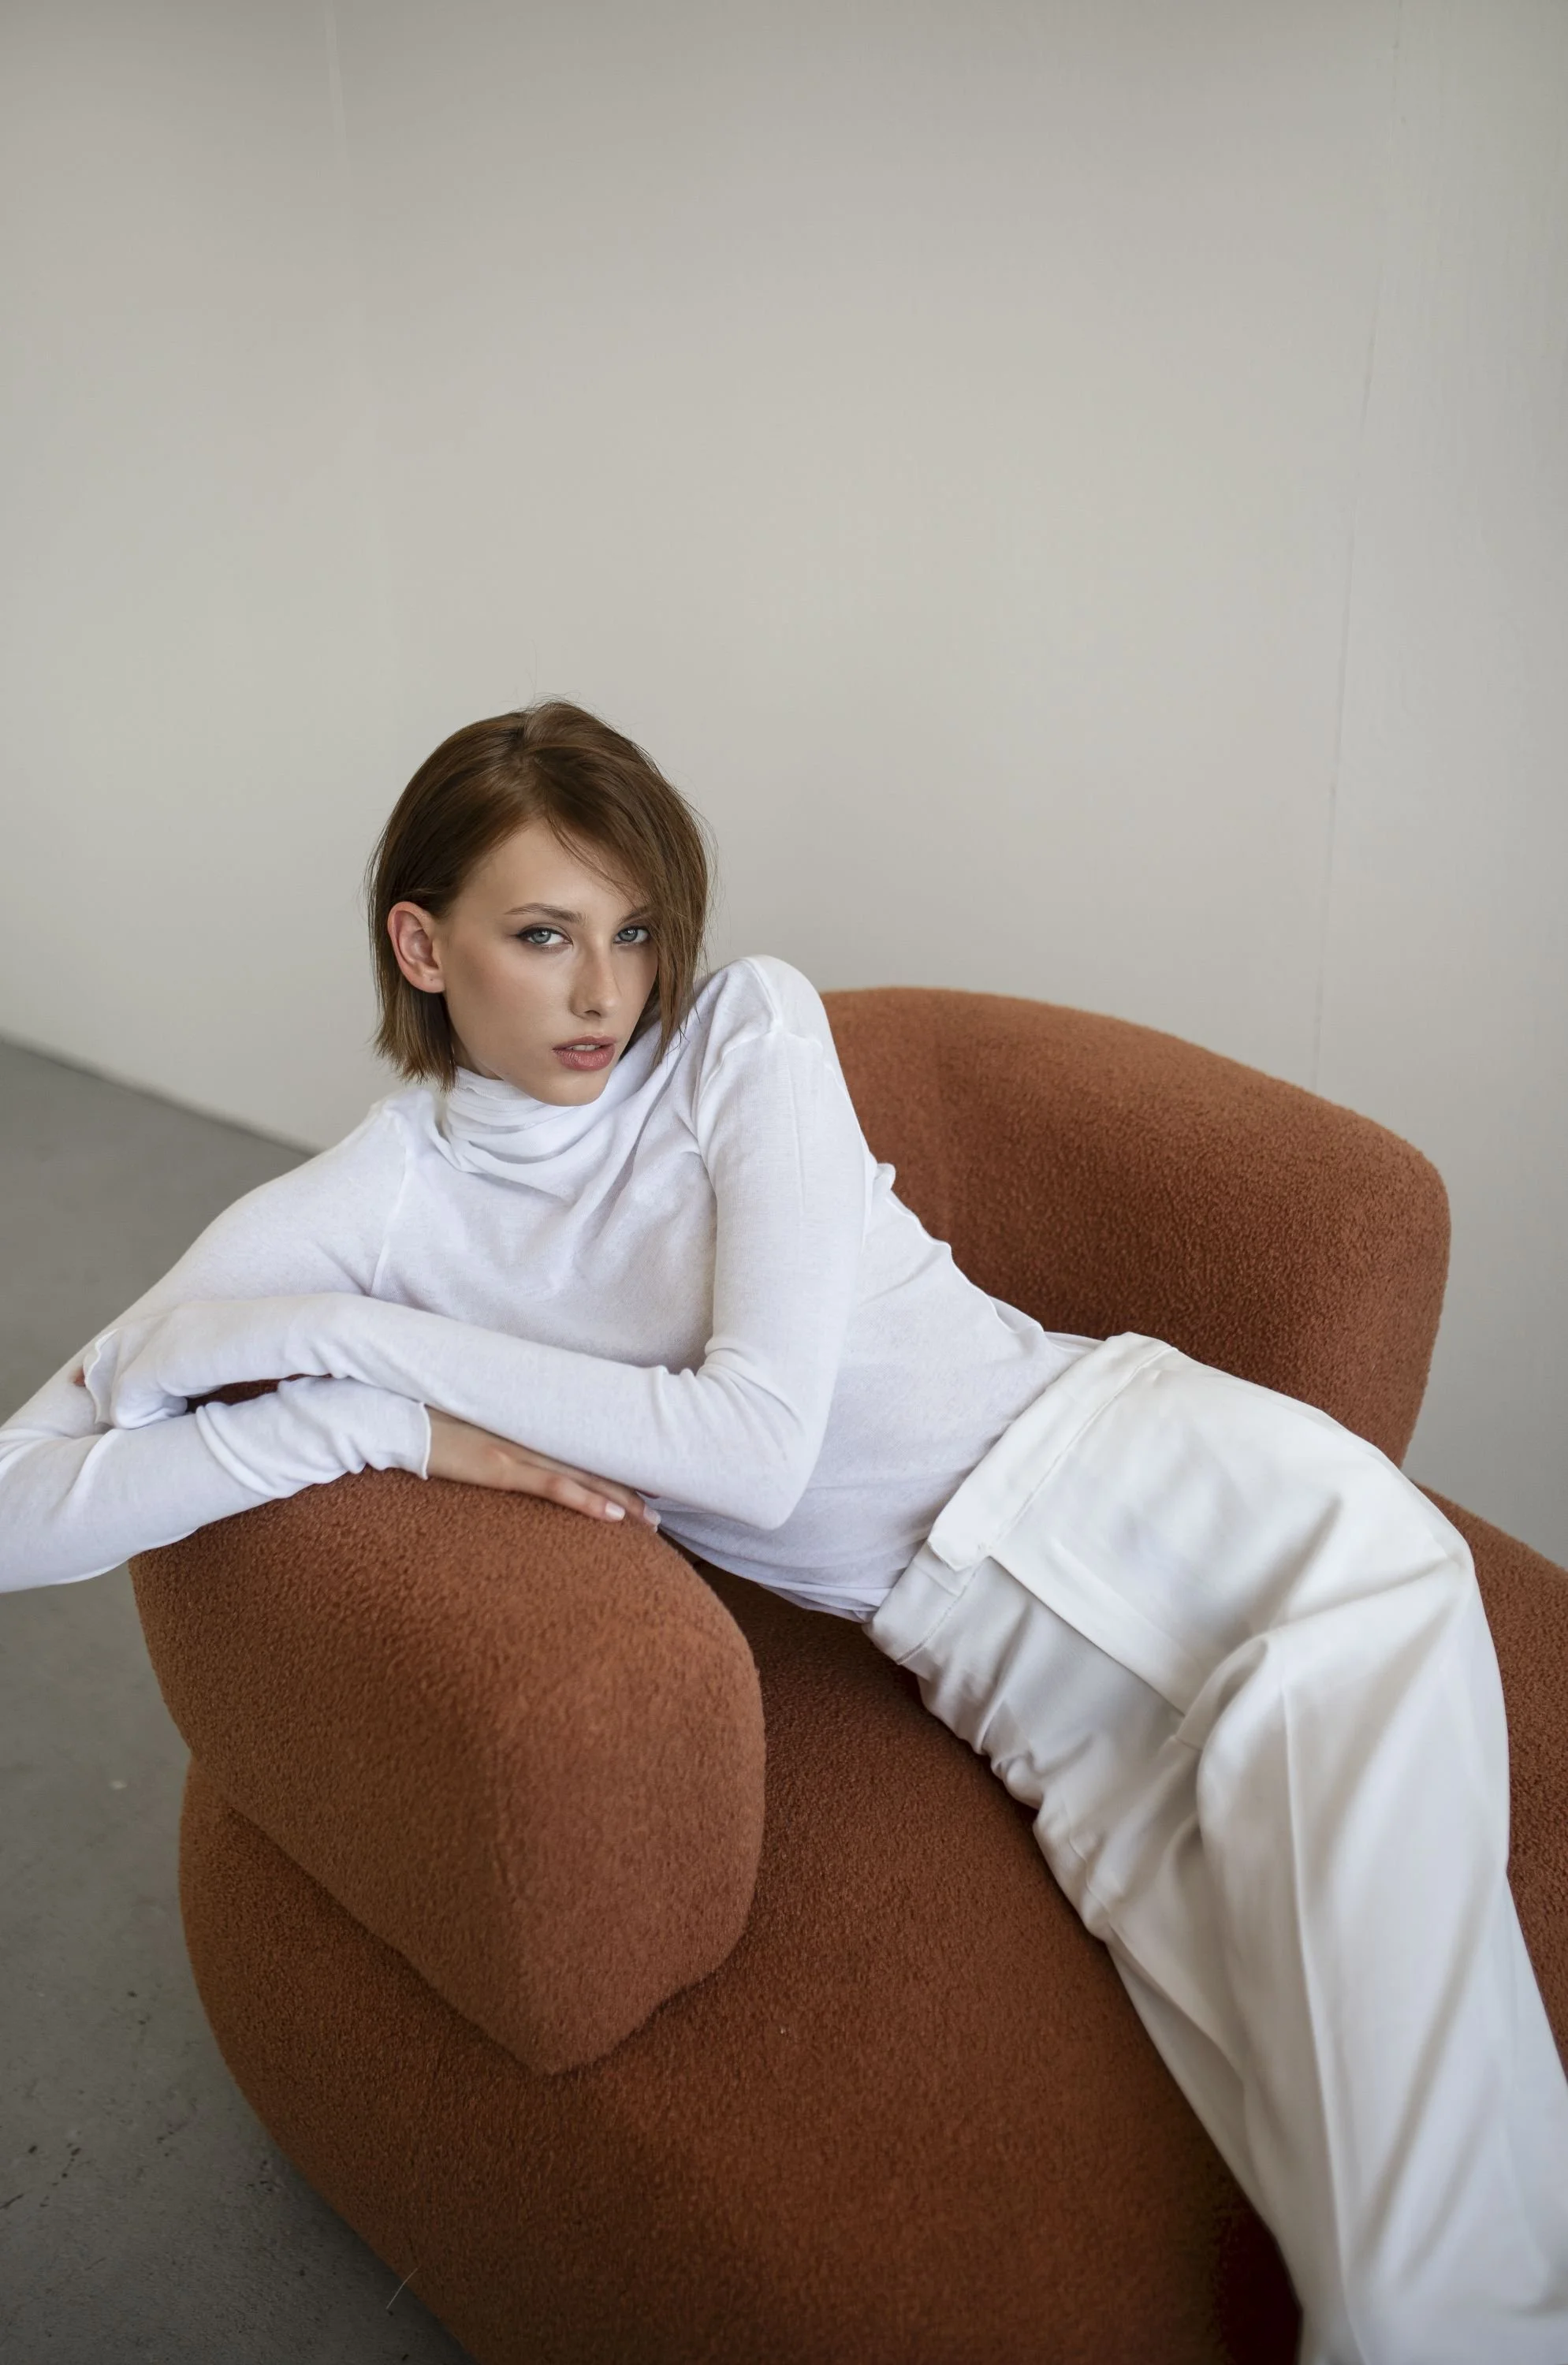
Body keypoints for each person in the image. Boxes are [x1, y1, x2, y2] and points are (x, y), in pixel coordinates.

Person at [2, 701, 1565, 2365]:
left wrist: (357, 1347)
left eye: (633, 931)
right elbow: (25, 1505)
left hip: (1236, 1521)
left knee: (1424, 2288)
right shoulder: (365, 1212)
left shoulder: (742, 1034)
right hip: (1033, 1699)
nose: (606, 991)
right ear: (423, 942)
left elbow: (750, 1449)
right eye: (543, 935)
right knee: (1416, 2206)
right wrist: (360, 1425)